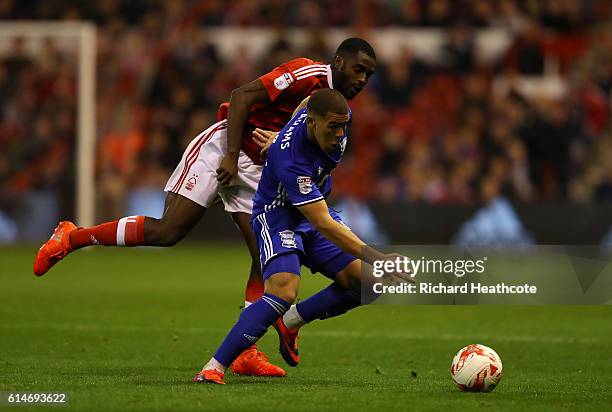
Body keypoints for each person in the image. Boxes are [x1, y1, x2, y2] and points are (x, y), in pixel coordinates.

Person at [33, 38, 377, 377]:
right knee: (169, 231)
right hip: (224, 148)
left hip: (262, 168)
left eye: (369, 75)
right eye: (359, 69)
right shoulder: (305, 73)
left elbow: (300, 127)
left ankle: (246, 353)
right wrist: (229, 155)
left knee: (262, 254)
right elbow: (240, 96)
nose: (362, 79)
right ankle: (73, 237)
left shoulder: (334, 111)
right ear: (338, 61)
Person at [193, 89, 403, 385]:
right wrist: (379, 258)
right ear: (312, 124)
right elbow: (324, 223)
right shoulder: (290, 159)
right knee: (283, 291)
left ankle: (291, 321)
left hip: (311, 212)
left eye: (344, 126)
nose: (340, 133)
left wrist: (280, 133)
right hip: (278, 217)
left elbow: (312, 98)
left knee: (369, 284)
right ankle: (213, 367)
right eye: (333, 127)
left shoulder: (331, 114)